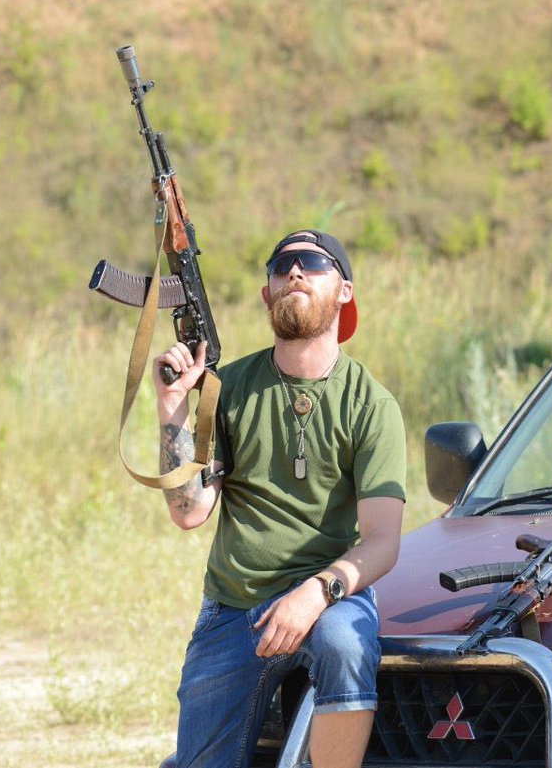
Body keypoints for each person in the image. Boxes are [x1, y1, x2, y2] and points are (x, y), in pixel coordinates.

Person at [154, 229, 407, 768]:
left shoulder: (371, 404)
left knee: (346, 644)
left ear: (344, 291)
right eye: (281, 265)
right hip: (234, 605)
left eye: (313, 262)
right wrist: (174, 408)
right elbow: (189, 511)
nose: (294, 272)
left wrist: (314, 594)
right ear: (267, 294)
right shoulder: (228, 388)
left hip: (328, 598)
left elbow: (383, 544)